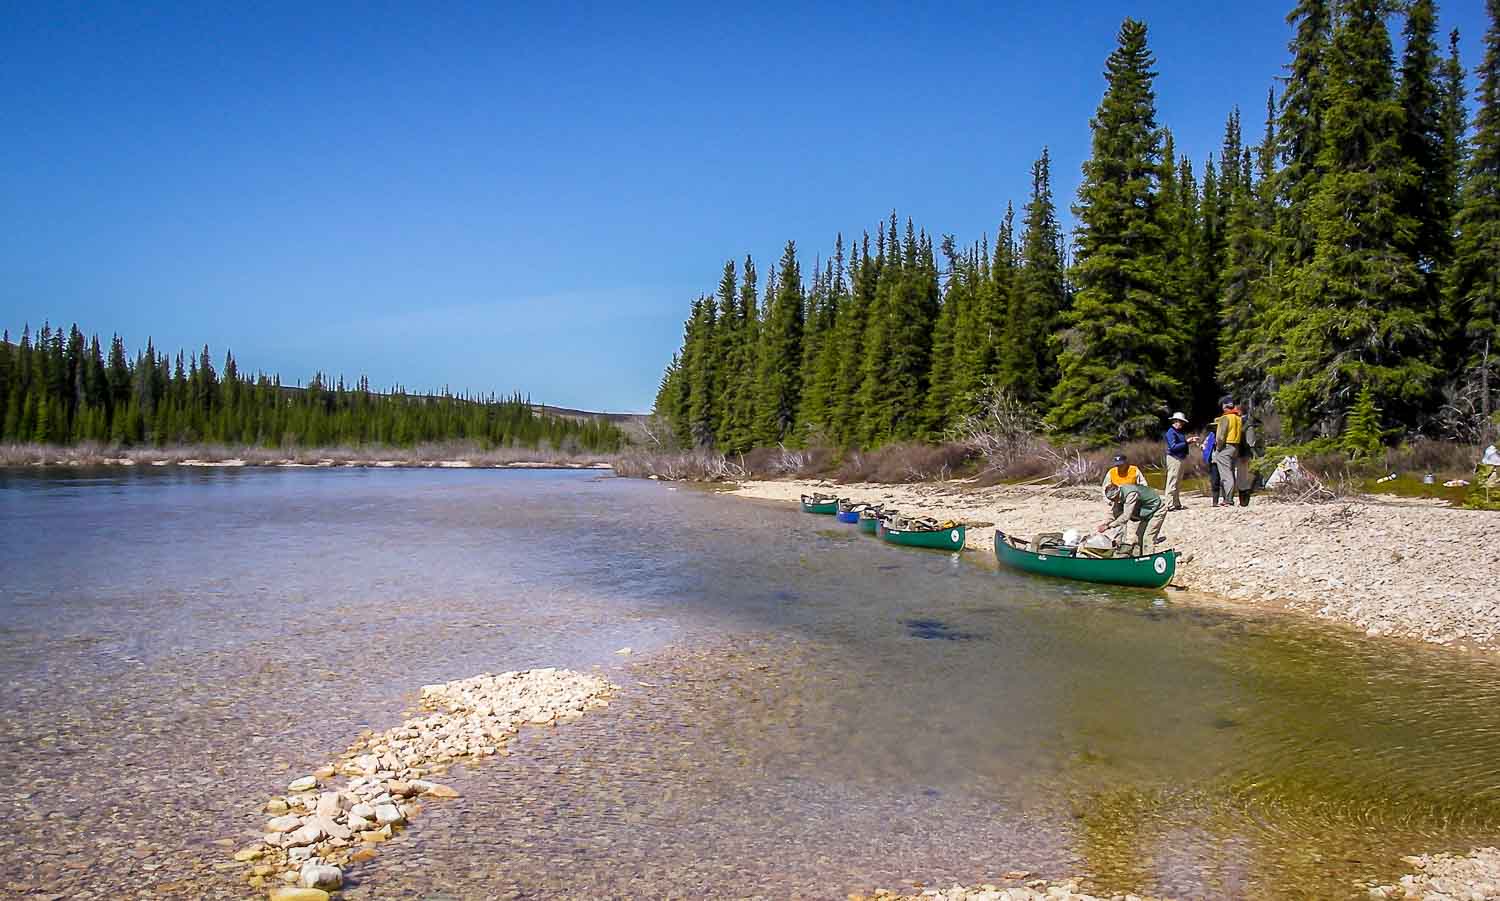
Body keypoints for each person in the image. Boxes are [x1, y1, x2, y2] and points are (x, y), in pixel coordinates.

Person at [1098, 480, 1167, 557]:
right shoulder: (1118, 498)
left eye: (1114, 499)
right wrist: (1104, 523)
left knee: (1148, 538)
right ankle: (1137, 559)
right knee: (1137, 538)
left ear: (1117, 494)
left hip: (1157, 510)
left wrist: (1109, 526)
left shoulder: (1130, 494)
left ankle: (1149, 560)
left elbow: (1126, 516)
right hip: (1146, 514)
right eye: (1111, 500)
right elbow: (1114, 513)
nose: (1113, 501)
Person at [1212, 396, 1243, 508]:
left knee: (1226, 474)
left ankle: (1228, 500)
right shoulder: (1238, 418)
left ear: (1224, 406)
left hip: (1226, 447)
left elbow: (1220, 436)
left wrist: (1218, 448)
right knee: (1231, 472)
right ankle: (1229, 498)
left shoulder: (1225, 418)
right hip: (1236, 447)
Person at [1163, 412, 1198, 511]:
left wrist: (1189, 441)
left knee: (1178, 482)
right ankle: (1169, 504)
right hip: (1174, 458)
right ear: (1175, 421)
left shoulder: (1180, 432)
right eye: (1180, 422)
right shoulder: (1170, 432)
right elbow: (1173, 447)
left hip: (1181, 458)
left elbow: (1181, 444)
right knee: (1172, 481)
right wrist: (1187, 442)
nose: (1181, 424)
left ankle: (1176, 503)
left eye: (1182, 422)